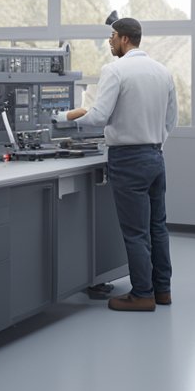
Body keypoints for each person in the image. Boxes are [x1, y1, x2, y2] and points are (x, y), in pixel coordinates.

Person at [63, 17, 177, 312]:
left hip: (128, 159)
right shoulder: (162, 72)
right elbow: (171, 120)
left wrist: (68, 118)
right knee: (157, 227)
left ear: (125, 39)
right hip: (155, 156)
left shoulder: (115, 70)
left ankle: (142, 294)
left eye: (113, 36)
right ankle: (162, 290)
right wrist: (154, 142)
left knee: (135, 231)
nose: (110, 41)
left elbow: (100, 116)